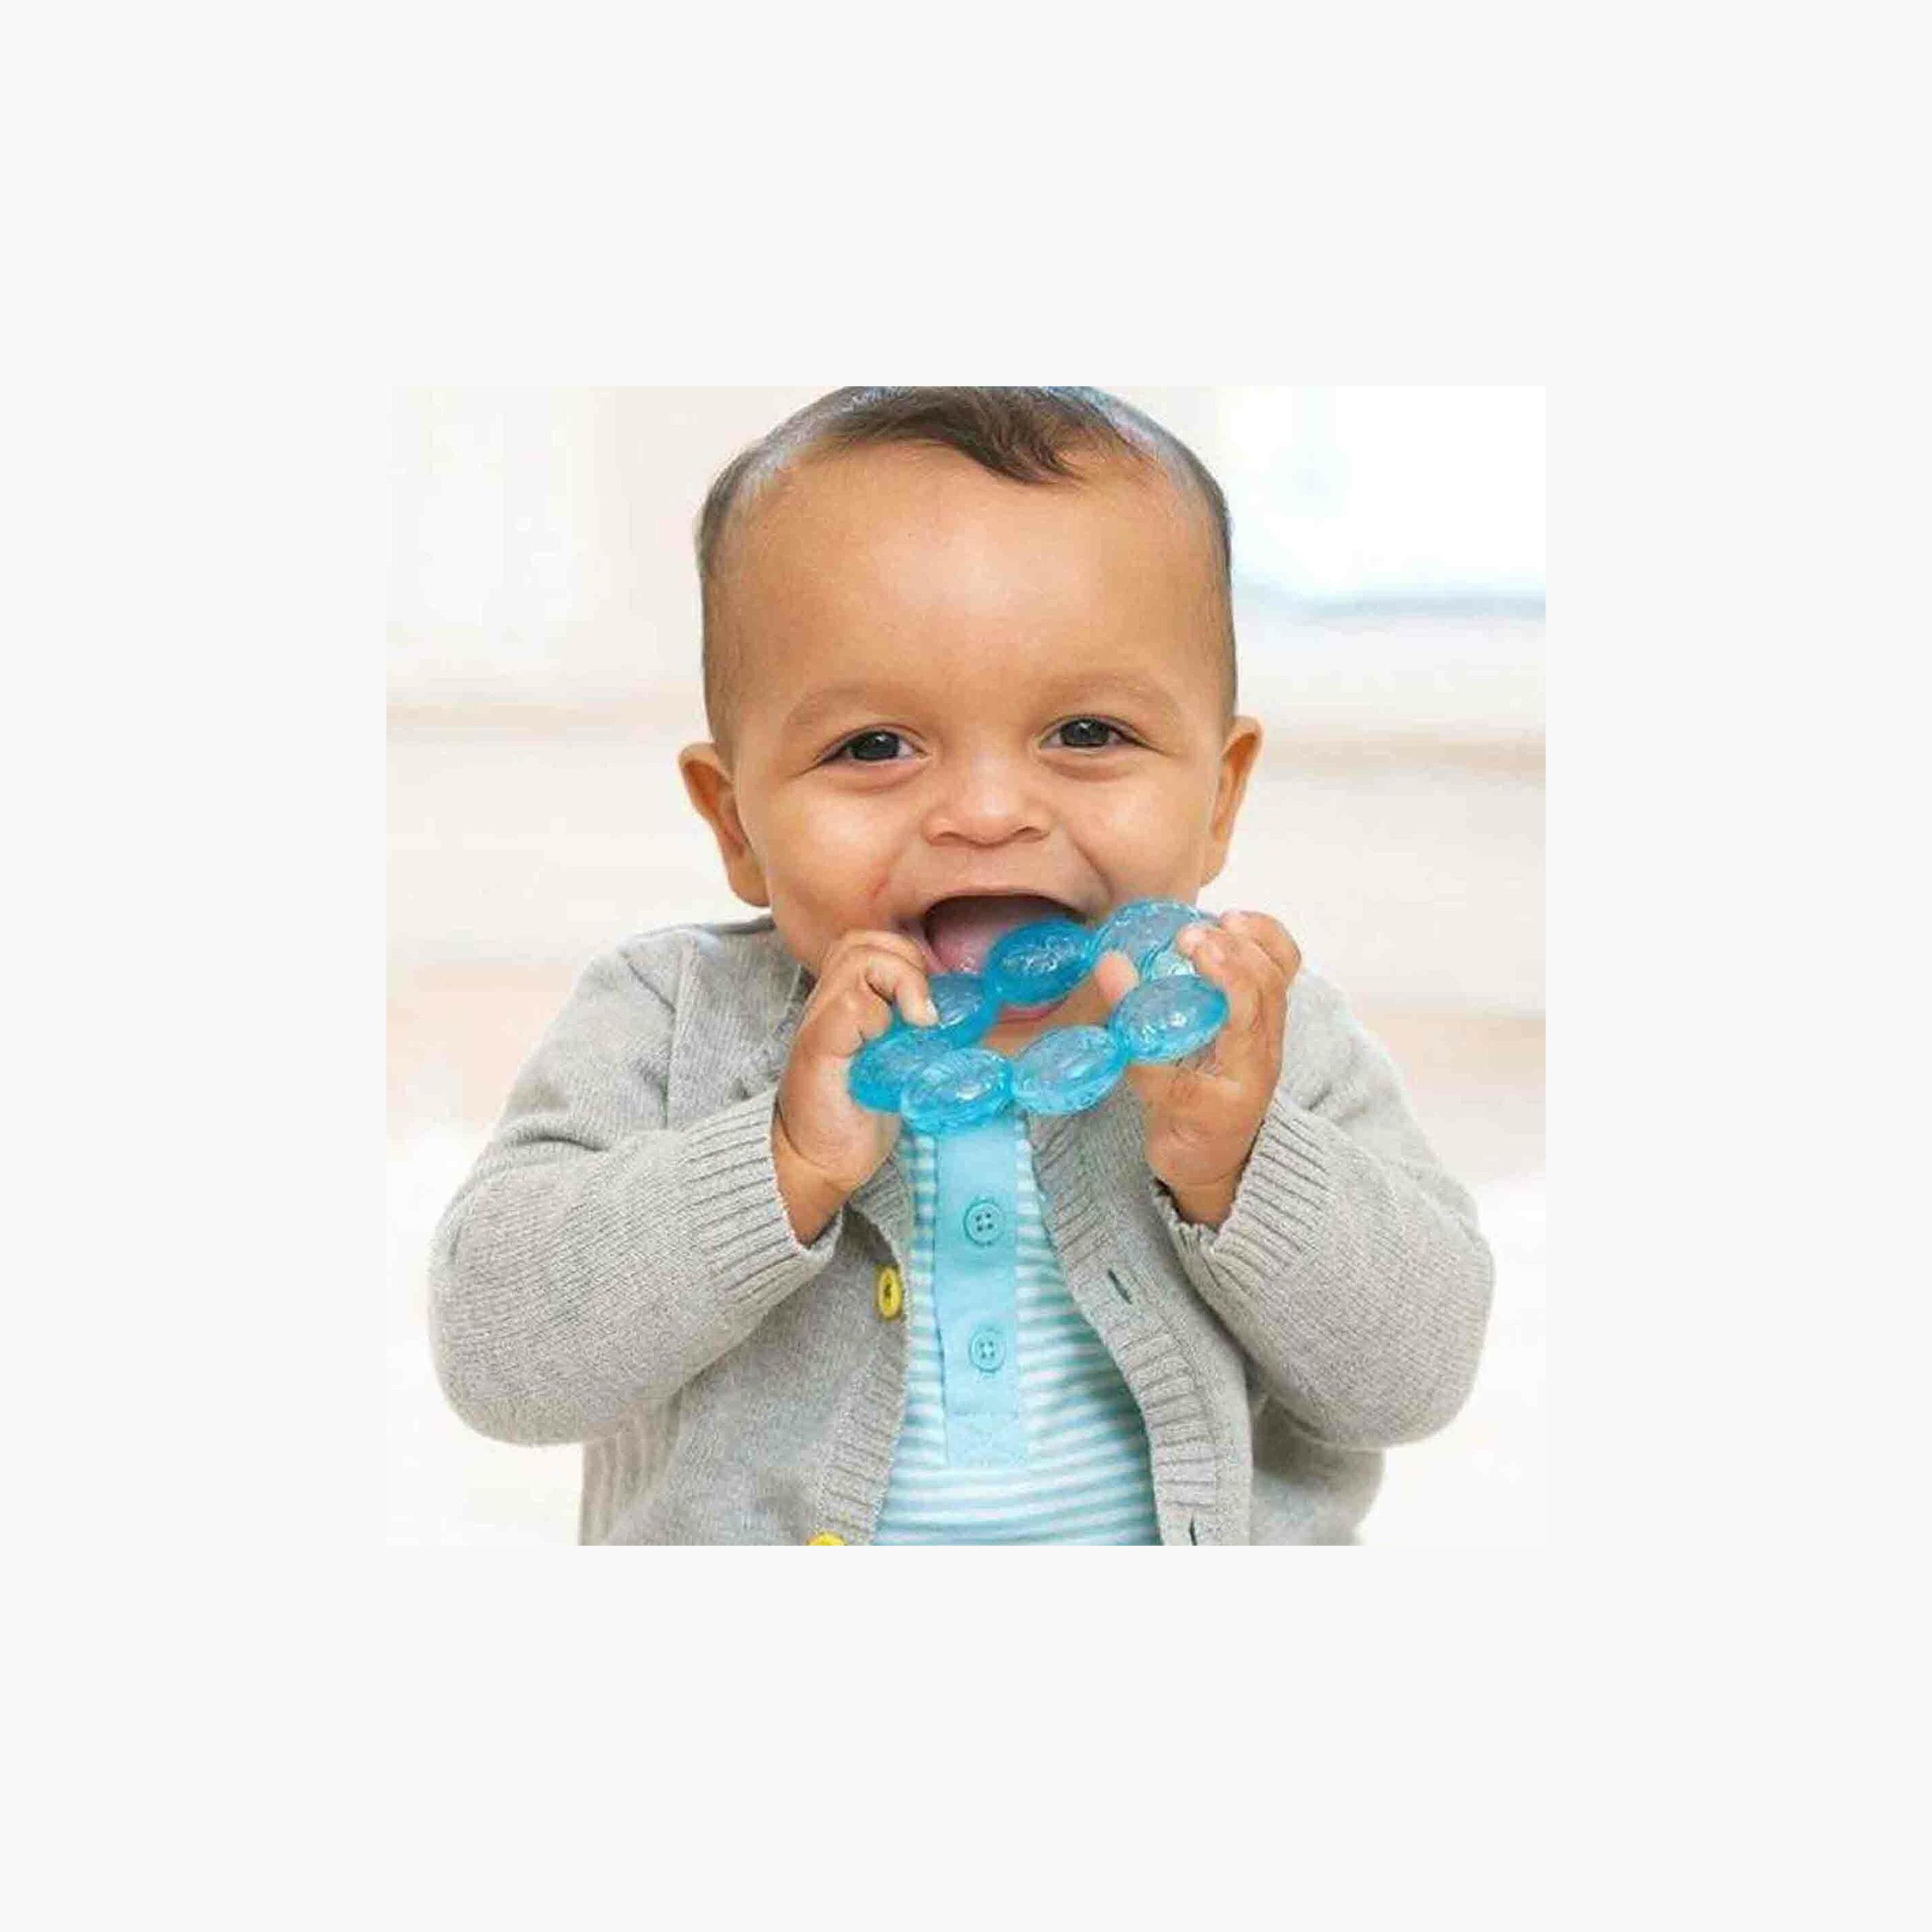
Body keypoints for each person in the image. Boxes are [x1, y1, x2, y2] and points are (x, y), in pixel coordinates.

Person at [428, 386, 1493, 1544]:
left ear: (1219, 799)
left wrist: (1242, 1167)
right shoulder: (668, 1020)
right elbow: (499, 1360)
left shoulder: (1252, 1038)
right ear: (736, 824)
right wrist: (777, 1166)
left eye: (1088, 733)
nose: (987, 813)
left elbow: (1418, 1379)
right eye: (875, 746)